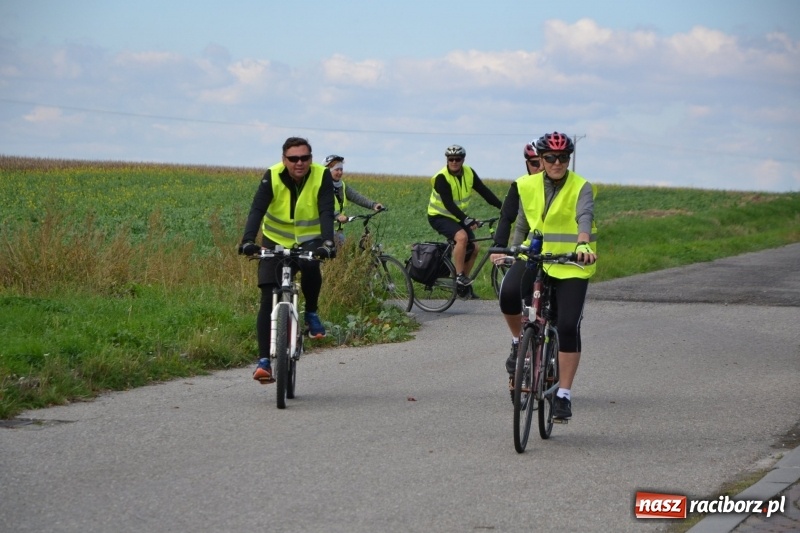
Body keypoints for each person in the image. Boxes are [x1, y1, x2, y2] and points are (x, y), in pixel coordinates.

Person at [491, 132, 597, 420]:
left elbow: (584, 215)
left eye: (563, 158)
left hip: (571, 262)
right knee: (509, 293)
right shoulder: (527, 185)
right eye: (550, 158)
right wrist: (508, 250)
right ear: (540, 158)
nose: (557, 163)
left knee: (566, 325)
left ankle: (563, 394)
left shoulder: (581, 187)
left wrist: (583, 243)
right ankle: (519, 342)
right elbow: (523, 222)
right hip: (535, 257)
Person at [238, 137, 336, 384]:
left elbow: (326, 210)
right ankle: (263, 362)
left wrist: (328, 243)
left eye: (304, 158)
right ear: (284, 160)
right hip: (275, 240)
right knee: (267, 296)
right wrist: (248, 241)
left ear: (311, 159)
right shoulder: (271, 175)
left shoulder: (321, 175)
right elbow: (257, 209)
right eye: (293, 159)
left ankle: (312, 312)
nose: (299, 163)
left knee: (312, 264)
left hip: (309, 239)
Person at [427, 144, 503, 299]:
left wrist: (503, 207)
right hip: (438, 216)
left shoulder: (469, 173)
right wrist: (467, 220)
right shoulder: (441, 178)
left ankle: (463, 286)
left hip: (456, 216)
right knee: (462, 237)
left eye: (457, 159)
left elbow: (484, 191)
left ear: (463, 160)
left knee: (474, 247)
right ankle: (459, 275)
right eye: (451, 159)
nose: (454, 162)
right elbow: (448, 204)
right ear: (447, 160)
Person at [324, 154, 384, 246]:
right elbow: (323, 205)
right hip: (324, 230)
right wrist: (337, 215)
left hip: (337, 230)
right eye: (337, 170)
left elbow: (356, 197)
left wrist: (373, 205)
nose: (340, 172)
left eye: (341, 169)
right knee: (343, 251)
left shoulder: (341, 186)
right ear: (328, 171)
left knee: (345, 252)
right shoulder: (321, 187)